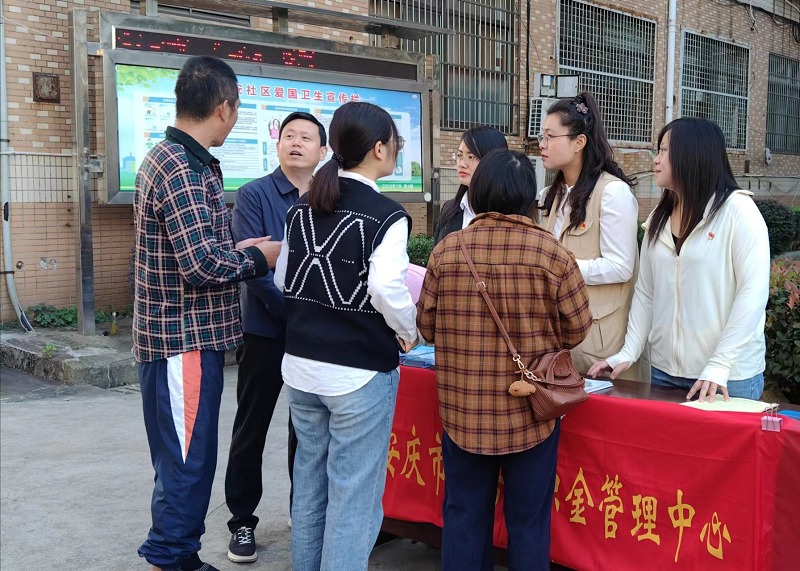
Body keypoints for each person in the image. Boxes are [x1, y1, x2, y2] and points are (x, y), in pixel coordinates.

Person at [133, 56, 280, 571]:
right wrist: (259, 258)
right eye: (237, 109)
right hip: (184, 342)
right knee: (187, 459)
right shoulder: (181, 167)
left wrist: (239, 249)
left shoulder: (179, 159)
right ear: (223, 107)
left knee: (182, 455)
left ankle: (174, 551)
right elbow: (199, 265)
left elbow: (193, 249)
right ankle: (173, 557)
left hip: (183, 339)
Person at [417, 149, 592, 571]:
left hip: (463, 414)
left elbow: (426, 327)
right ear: (529, 197)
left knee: (463, 516)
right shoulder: (553, 253)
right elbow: (578, 329)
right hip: (532, 415)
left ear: (477, 194)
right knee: (528, 523)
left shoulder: (447, 251)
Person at [273, 101, 418, 571]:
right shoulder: (387, 215)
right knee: (354, 495)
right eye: (395, 142)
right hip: (358, 374)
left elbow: (283, 279)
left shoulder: (302, 207)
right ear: (379, 149)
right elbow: (385, 288)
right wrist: (409, 330)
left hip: (300, 368)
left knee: (309, 484)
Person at [589, 118, 770, 402]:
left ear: (691, 155)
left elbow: (753, 294)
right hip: (665, 371)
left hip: (726, 377)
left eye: (664, 151)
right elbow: (646, 292)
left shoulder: (739, 212)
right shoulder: (658, 218)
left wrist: (719, 364)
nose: (656, 159)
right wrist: (629, 351)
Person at [225, 112, 328, 563]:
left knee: (306, 429)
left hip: (316, 333)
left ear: (323, 150)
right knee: (252, 425)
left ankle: (300, 511)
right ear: (278, 144)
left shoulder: (330, 196)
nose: (297, 143)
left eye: (307, 137)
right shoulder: (254, 194)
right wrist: (292, 312)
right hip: (266, 330)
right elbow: (253, 266)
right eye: (289, 136)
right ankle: (242, 521)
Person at [538, 92, 642, 380]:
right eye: (542, 136)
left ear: (579, 142)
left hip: (599, 344)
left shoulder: (613, 193)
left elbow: (621, 267)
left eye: (550, 136)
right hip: (557, 340)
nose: (542, 145)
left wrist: (560, 269)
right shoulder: (550, 196)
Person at [432, 126, 508, 245]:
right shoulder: (449, 209)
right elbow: (435, 255)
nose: (462, 164)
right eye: (459, 156)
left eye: (471, 157)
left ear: (494, 161)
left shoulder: (510, 213)